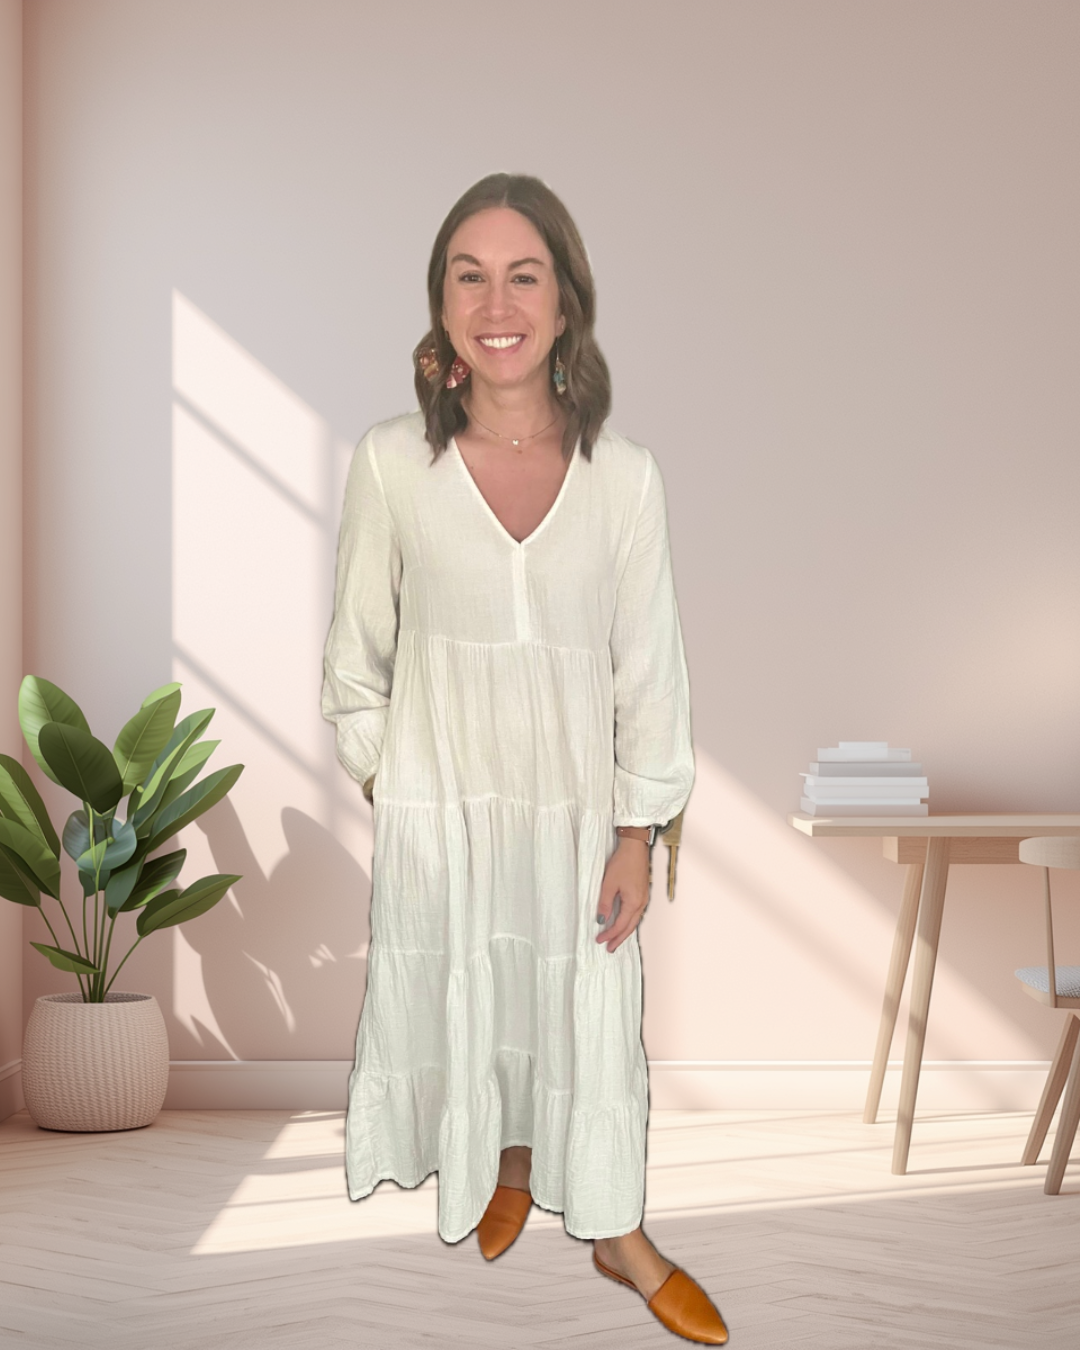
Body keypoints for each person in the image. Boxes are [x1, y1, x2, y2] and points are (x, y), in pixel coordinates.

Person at [322, 173, 727, 1345]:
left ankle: (616, 1234)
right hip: (442, 809)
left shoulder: (626, 479)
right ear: (442, 305)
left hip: (575, 814)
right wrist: (392, 788)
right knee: (477, 992)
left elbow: (649, 673)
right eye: (469, 274)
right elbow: (356, 657)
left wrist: (640, 832)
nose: (496, 300)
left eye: (524, 273)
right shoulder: (393, 463)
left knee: (586, 1011)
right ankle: (504, 1161)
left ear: (565, 303)